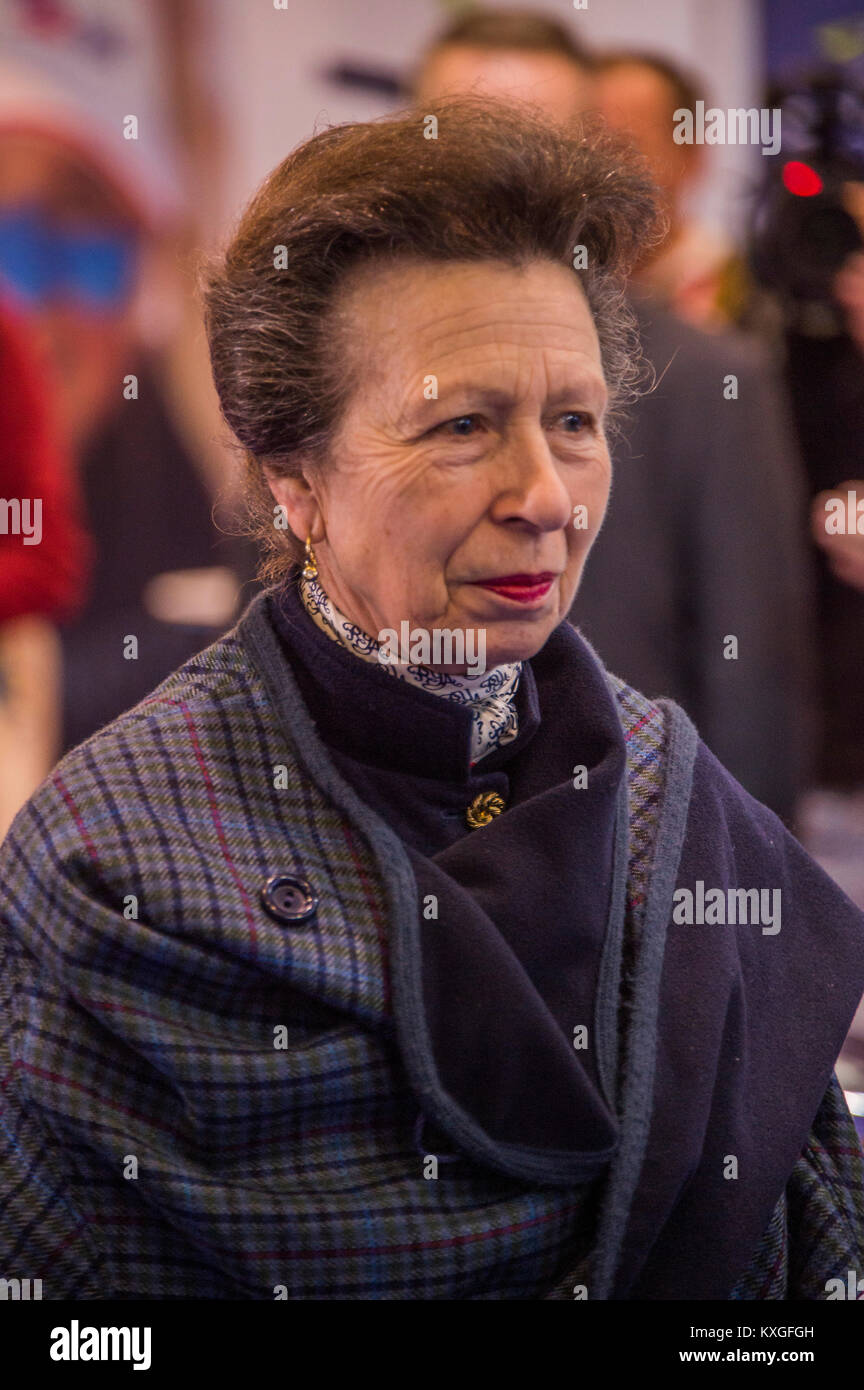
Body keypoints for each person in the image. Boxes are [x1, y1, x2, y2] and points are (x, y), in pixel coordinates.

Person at [1, 99, 862, 1302]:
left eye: (574, 422)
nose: (545, 495)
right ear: (292, 476)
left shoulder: (673, 794)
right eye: (462, 426)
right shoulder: (120, 857)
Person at [412, 11, 815, 824]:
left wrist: (717, 915)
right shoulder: (338, 376)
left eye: (527, 143)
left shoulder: (707, 379)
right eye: (455, 140)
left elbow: (753, 686)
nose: (487, 178)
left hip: (623, 873)